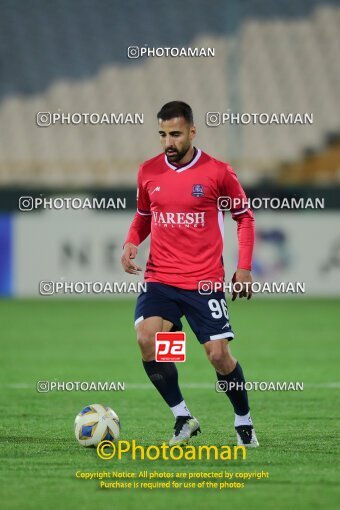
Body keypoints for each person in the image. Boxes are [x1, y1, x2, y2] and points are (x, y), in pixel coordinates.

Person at [121, 101, 259, 447]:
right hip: (161, 278)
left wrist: (243, 267)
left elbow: (244, 217)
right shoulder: (148, 172)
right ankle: (183, 417)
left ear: (192, 132)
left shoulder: (218, 172)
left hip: (204, 281)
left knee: (217, 355)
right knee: (148, 340)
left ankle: (243, 421)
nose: (168, 142)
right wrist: (130, 242)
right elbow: (143, 216)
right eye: (163, 134)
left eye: (176, 134)